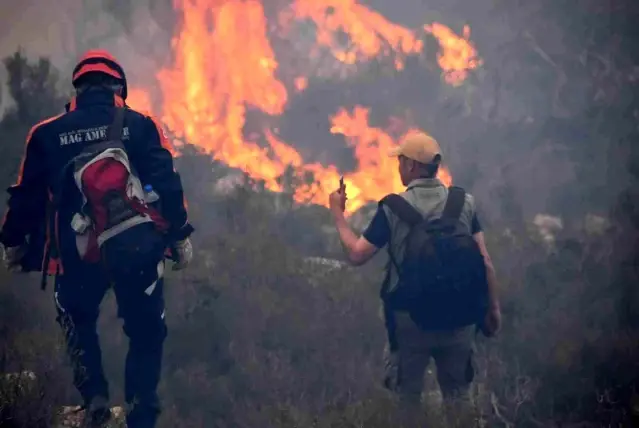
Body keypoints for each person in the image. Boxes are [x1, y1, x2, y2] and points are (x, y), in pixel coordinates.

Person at [0, 49, 194, 428]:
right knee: (145, 331)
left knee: (79, 322)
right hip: (136, 251)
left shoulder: (46, 133)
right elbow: (167, 182)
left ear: (78, 89)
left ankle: (95, 401)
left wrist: (13, 241)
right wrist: (179, 234)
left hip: (77, 255)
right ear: (118, 87)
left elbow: (26, 194)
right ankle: (141, 412)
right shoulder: (140, 124)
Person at [328, 132, 501, 426]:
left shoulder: (393, 208)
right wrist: (492, 309)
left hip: (409, 323)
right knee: (459, 402)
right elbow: (485, 262)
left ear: (410, 166)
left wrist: (337, 214)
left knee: (406, 402)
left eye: (400, 161)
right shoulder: (464, 203)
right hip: (460, 319)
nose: (398, 167)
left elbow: (357, 255)